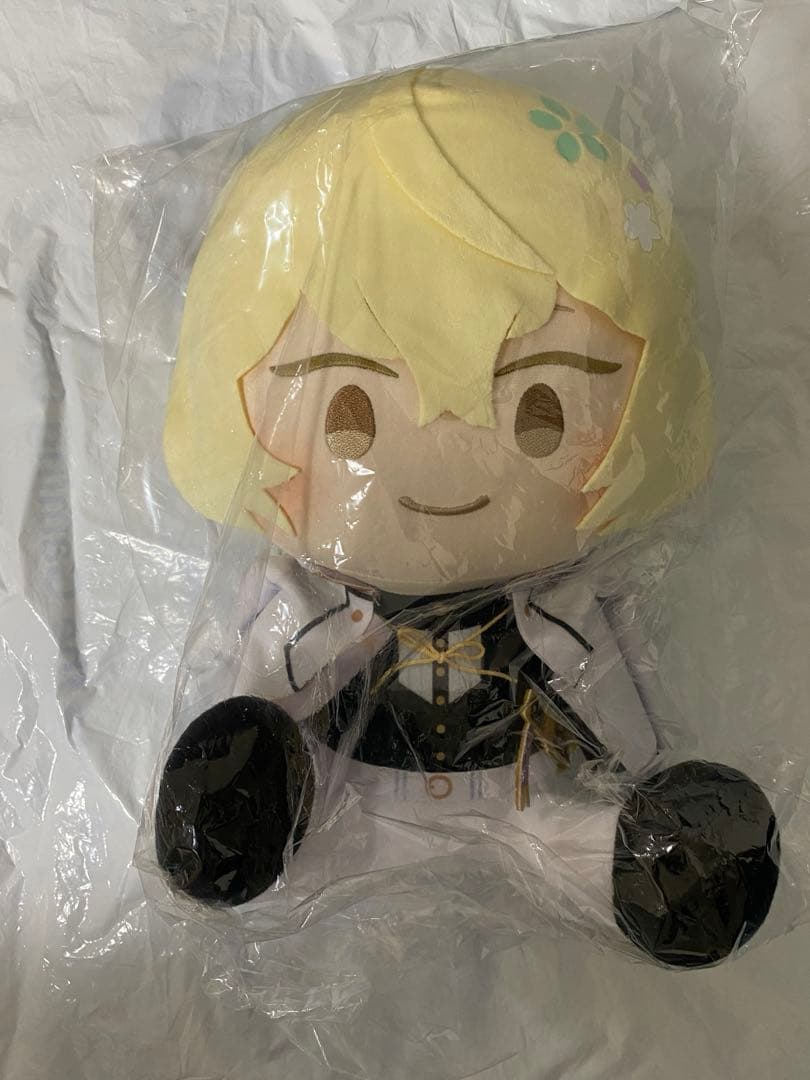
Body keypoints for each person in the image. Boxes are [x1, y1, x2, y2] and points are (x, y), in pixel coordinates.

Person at [156, 68, 778, 967]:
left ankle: (658, 866)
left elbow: (615, 682)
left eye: (540, 414)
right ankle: (247, 836)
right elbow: (269, 679)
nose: (445, 467)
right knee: (281, 827)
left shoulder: (571, 597)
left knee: (576, 843)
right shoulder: (307, 595)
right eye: (350, 415)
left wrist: (648, 778)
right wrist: (244, 750)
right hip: (340, 793)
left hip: (526, 801)